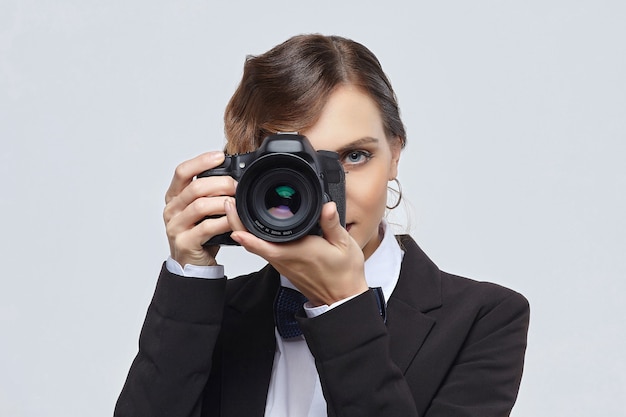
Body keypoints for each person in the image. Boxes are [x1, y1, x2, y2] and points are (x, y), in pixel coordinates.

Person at [114, 34, 529, 417]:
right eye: (295, 169)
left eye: (354, 157)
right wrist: (191, 277)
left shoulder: (485, 318)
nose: (329, 198)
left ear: (395, 153)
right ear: (245, 176)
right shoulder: (211, 312)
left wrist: (343, 307)